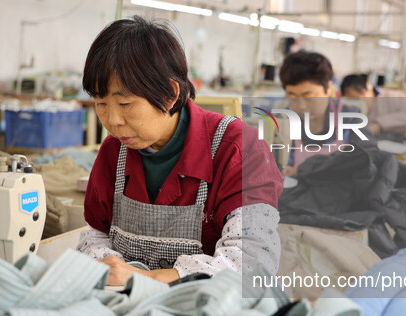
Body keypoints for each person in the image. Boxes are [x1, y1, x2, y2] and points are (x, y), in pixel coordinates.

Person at [77, 17, 283, 285]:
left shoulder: (238, 148)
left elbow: (253, 260)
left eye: (125, 103)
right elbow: (95, 235)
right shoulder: (114, 152)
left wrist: (146, 280)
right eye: (101, 103)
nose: (112, 120)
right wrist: (107, 266)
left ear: (170, 94)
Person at [278, 51, 373, 176]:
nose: (301, 106)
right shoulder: (284, 119)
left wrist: (307, 168)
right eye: (292, 96)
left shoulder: (350, 119)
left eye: (309, 97)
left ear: (328, 88)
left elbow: (369, 160)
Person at [341, 74, 406, 140]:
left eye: (360, 96)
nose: (359, 102)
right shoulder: (362, 113)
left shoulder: (393, 96)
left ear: (368, 88)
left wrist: (379, 124)